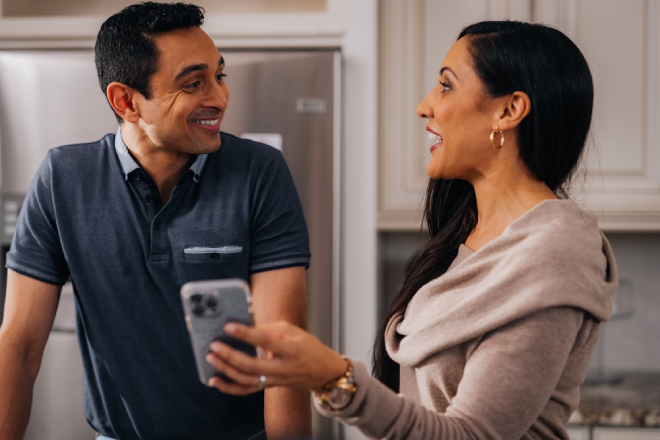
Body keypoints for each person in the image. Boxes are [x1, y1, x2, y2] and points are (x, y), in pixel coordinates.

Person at [204, 20, 619, 440]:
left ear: (508, 111)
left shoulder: (553, 250)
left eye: (445, 85)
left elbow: (471, 436)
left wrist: (335, 378)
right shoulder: (469, 237)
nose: (425, 105)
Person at [0, 3, 312, 440]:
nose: (219, 98)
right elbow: (19, 344)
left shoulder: (259, 173)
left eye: (219, 76)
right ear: (126, 101)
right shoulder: (63, 179)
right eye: (193, 84)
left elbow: (282, 344)